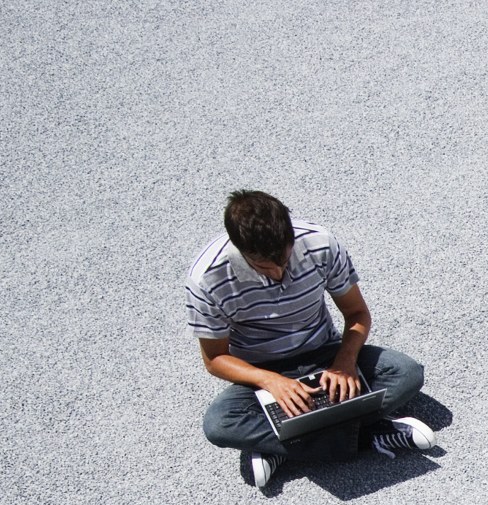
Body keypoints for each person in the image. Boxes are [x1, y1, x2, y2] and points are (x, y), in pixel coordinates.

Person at [185, 190, 436, 487]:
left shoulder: (319, 244)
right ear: (240, 250)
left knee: (406, 372)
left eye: (285, 259)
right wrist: (271, 381)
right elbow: (214, 359)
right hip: (261, 373)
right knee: (219, 424)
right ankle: (370, 434)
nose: (279, 273)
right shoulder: (207, 279)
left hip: (325, 353)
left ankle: (283, 445)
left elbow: (357, 313)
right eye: (265, 267)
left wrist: (344, 362)